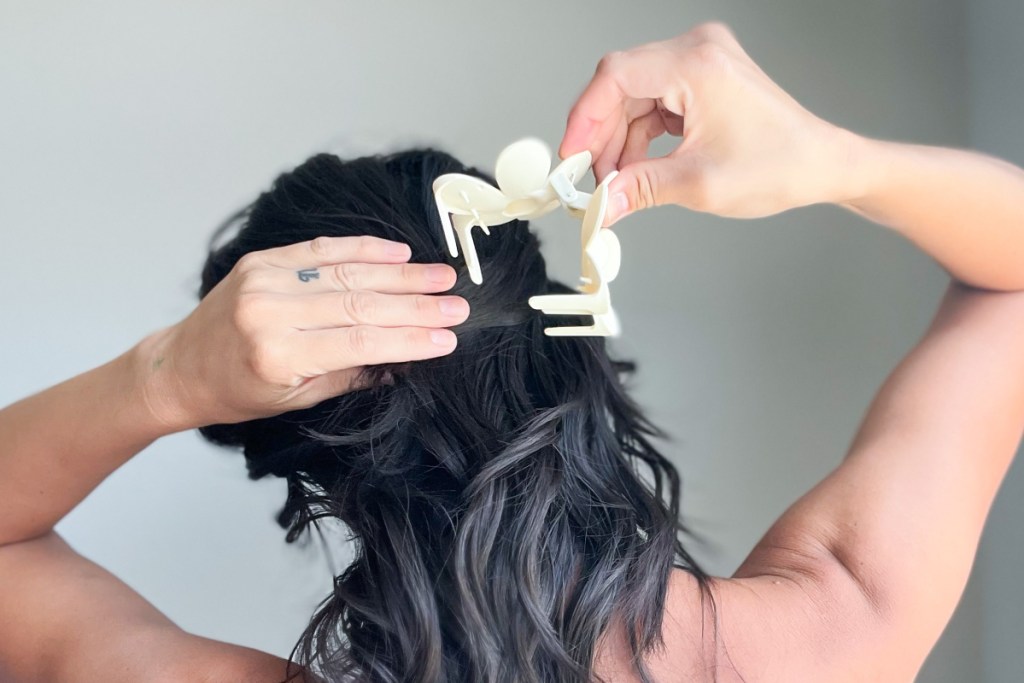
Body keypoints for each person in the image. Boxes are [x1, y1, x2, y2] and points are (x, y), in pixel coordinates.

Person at [1, 20, 1022, 683]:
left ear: (298, 443)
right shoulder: (837, 622)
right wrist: (827, 160)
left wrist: (167, 375)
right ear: (561, 329)